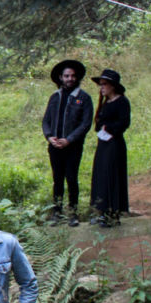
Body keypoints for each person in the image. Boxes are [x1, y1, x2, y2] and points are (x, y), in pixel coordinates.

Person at [41, 59, 93, 227]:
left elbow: (86, 124)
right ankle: (56, 212)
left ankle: (73, 213)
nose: (70, 79)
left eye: (72, 76)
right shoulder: (54, 97)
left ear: (77, 78)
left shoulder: (83, 98)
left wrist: (69, 139)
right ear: (60, 78)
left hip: (73, 147)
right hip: (54, 147)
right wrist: (50, 137)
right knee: (57, 179)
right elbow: (46, 121)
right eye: (66, 76)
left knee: (71, 178)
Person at [89, 69, 131, 227]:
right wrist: (101, 127)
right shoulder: (105, 102)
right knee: (101, 176)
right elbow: (98, 122)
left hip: (115, 144)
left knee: (112, 176)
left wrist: (110, 128)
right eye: (101, 85)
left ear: (113, 85)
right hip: (103, 144)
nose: (102, 87)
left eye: (105, 84)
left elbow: (124, 123)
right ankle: (101, 211)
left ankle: (113, 212)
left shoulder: (122, 102)